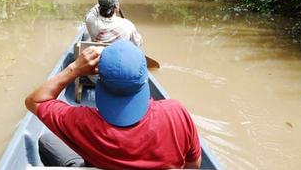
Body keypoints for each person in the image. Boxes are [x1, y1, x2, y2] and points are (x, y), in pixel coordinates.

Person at [25, 40, 202, 169]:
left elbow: (35, 101)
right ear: (144, 80)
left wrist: (74, 69)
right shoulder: (177, 113)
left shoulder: (82, 122)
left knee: (47, 140)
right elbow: (193, 165)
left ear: (99, 81)